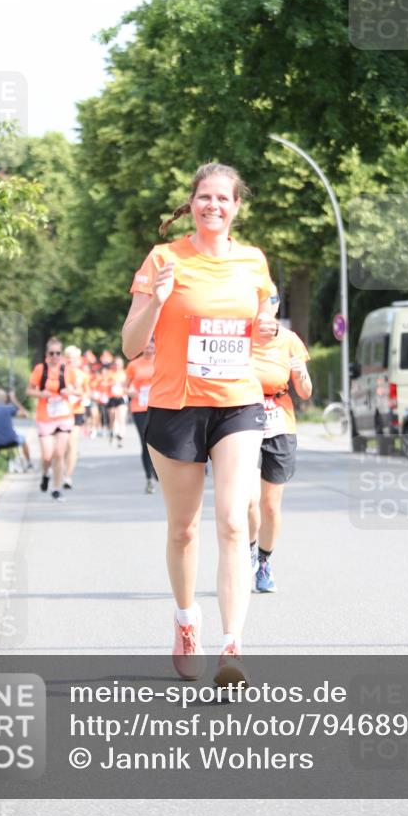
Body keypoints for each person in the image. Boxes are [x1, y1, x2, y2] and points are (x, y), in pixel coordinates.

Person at [122, 162, 277, 685]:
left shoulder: (254, 262)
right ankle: (187, 621)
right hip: (176, 404)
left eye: (224, 199)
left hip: (238, 403)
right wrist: (159, 300)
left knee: (234, 522)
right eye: (204, 197)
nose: (214, 205)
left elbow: (263, 324)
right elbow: (128, 344)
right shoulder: (163, 259)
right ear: (191, 203)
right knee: (184, 529)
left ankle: (232, 645)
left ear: (237, 207)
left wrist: (268, 328)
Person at [248, 286, 313, 593]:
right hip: (242, 417)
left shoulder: (289, 340)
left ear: (276, 306)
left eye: (270, 301)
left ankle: (264, 561)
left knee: (271, 505)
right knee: (247, 500)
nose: (264, 307)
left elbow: (305, 392)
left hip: (279, 421)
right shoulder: (238, 337)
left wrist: (300, 375)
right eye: (258, 301)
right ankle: (246, 549)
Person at [27, 337, 74, 501]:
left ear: (61, 354)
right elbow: (29, 391)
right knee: (47, 455)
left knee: (59, 453)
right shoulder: (40, 369)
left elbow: (79, 390)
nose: (55, 356)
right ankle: (46, 473)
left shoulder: (68, 370)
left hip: (63, 415)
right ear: (47, 354)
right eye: (51, 353)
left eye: (58, 353)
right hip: (45, 416)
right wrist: (41, 394)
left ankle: (56, 487)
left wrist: (69, 391)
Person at [125, 339, 158, 493]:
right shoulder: (134, 365)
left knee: (159, 441)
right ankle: (149, 478)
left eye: (151, 346)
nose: (149, 349)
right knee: (145, 442)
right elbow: (126, 387)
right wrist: (131, 392)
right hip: (139, 407)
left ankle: (159, 471)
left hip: (158, 405)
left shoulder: (161, 361)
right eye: (146, 347)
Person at [62, 345, 90, 489]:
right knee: (63, 445)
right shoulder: (61, 373)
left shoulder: (83, 375)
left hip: (76, 410)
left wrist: (80, 395)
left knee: (72, 444)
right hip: (61, 411)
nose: (72, 361)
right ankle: (62, 470)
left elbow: (87, 392)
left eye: (74, 358)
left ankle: (68, 476)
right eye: (69, 358)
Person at [0, 388, 32, 467]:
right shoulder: (9, 408)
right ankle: (28, 462)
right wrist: (14, 400)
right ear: (5, 398)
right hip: (12, 440)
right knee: (23, 439)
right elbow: (26, 414)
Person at [107, 356, 128, 446]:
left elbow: (128, 384)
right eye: (116, 364)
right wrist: (111, 383)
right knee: (113, 418)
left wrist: (123, 384)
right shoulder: (110, 374)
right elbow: (103, 383)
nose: (117, 366)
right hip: (111, 398)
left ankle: (121, 436)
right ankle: (112, 432)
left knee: (121, 417)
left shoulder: (125, 373)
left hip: (121, 397)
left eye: (119, 364)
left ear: (122, 365)